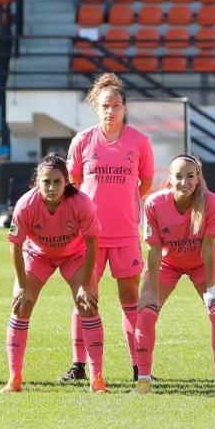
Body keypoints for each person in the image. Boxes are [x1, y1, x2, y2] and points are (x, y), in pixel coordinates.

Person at [64, 73, 154, 382]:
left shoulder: (139, 142)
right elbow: (73, 182)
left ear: (124, 108)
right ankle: (78, 365)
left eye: (116, 105)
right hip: (89, 238)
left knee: (130, 299)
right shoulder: (83, 141)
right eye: (105, 105)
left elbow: (146, 184)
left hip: (126, 234)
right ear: (97, 108)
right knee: (85, 297)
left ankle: (137, 366)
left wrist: (124, 204)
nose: (110, 111)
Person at [1, 154, 104, 393]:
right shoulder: (25, 205)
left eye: (58, 182)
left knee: (87, 304)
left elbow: (92, 244)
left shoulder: (81, 203)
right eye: (46, 182)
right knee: (20, 304)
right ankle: (14, 379)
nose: (52, 187)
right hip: (38, 255)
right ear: (37, 182)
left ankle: (97, 379)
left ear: (67, 182)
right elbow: (14, 245)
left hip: (74, 255)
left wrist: (86, 284)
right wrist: (23, 284)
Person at [133, 154, 215, 396]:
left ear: (198, 178)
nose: (184, 182)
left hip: (202, 264)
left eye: (190, 176)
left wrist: (212, 289)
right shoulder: (154, 203)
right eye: (178, 176)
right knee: (146, 312)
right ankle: (143, 382)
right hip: (168, 264)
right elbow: (154, 250)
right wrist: (152, 291)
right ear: (169, 178)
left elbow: (208, 247)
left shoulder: (211, 202)